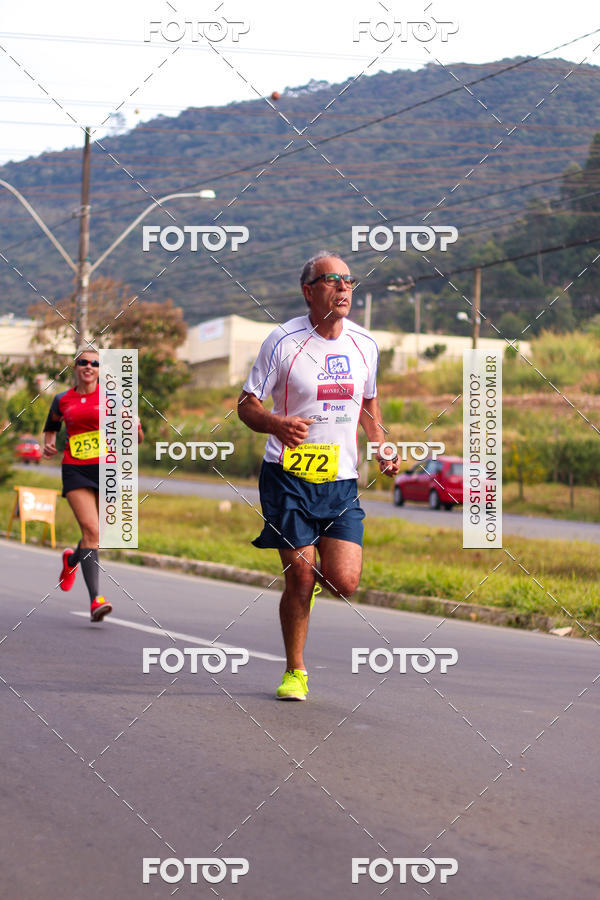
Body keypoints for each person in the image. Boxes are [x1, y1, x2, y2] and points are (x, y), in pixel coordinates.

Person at [238, 251, 400, 700]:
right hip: (287, 477)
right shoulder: (283, 341)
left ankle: (306, 606)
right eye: (333, 281)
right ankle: (295, 670)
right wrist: (276, 423)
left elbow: (369, 408)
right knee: (301, 575)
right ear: (310, 291)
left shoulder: (365, 344)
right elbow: (246, 404)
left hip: (341, 482)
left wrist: (382, 443)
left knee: (344, 582)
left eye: (349, 281)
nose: (345, 289)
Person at [42, 349, 143, 621]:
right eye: (83, 362)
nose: (89, 366)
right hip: (75, 469)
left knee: (96, 534)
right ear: (75, 367)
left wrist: (134, 427)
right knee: (91, 529)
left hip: (106, 470)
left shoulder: (114, 398)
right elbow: (51, 427)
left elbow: (137, 437)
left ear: (101, 369)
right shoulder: (61, 399)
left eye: (95, 363)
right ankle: (95, 600)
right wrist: (49, 444)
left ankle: (71, 561)